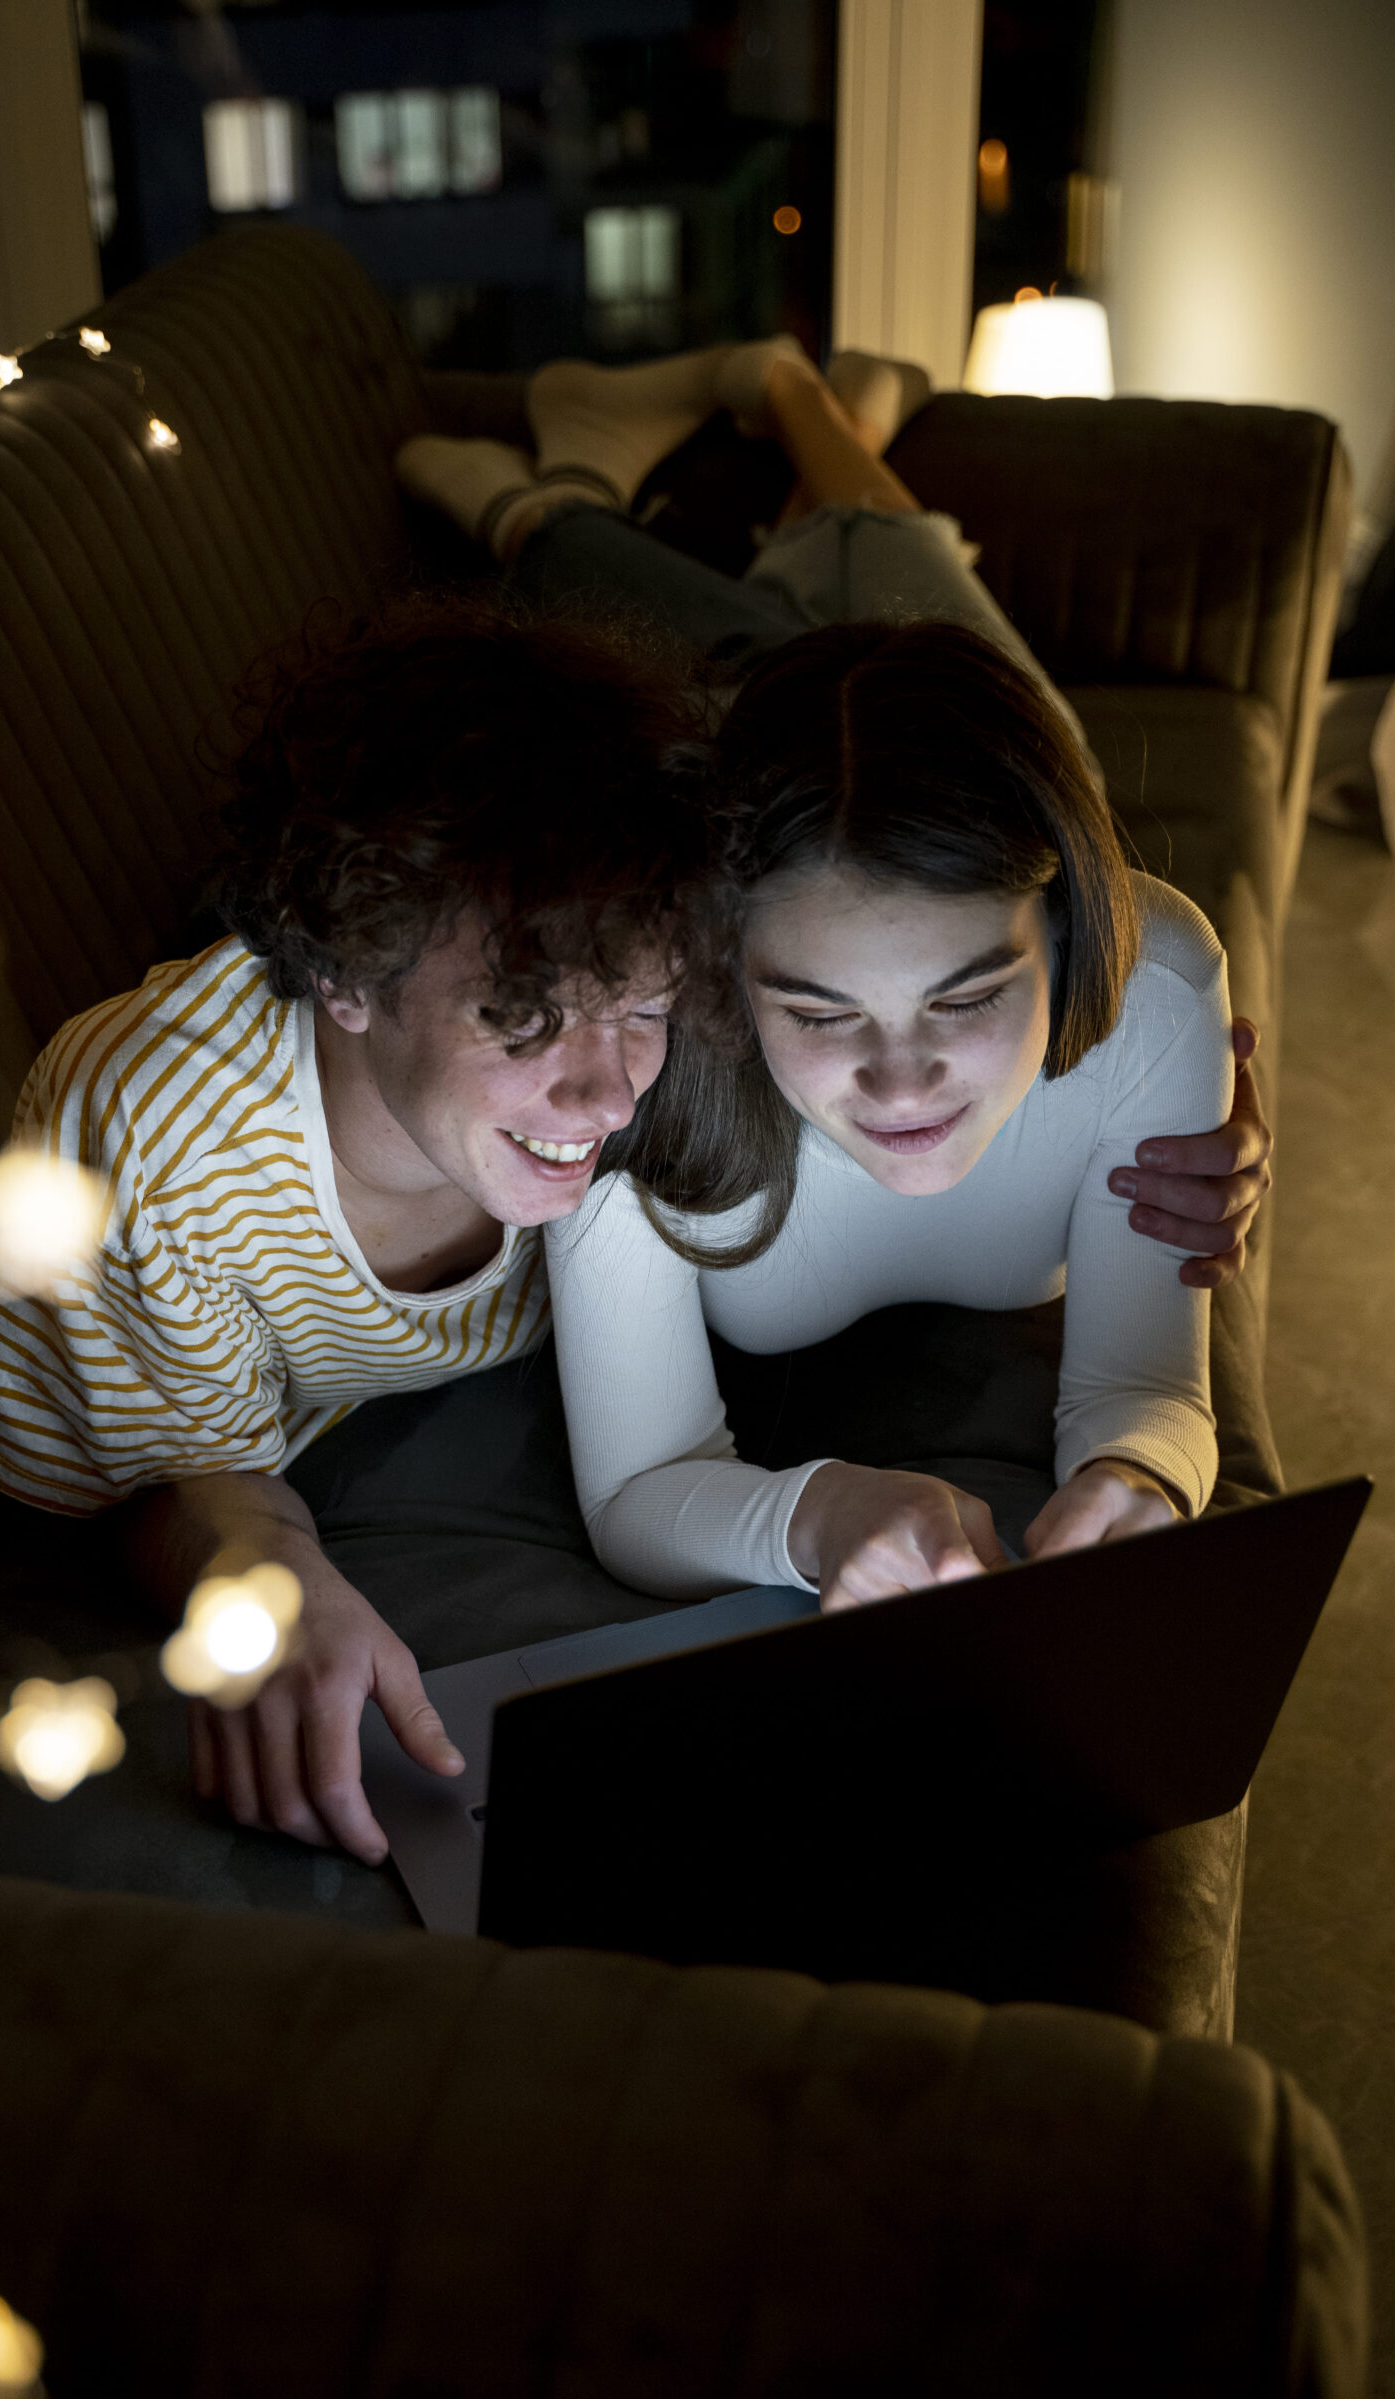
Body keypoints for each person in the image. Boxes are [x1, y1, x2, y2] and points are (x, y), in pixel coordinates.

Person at [399, 344, 1268, 1606]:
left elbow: (1148, 1392)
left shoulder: (1156, 979)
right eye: (818, 1009)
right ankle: (553, 491)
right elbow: (638, 1489)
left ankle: (816, 408)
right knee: (661, 595)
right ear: (722, 974)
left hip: (941, 743)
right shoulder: (645, 1044)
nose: (901, 1076)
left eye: (969, 997)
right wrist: (812, 1517)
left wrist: (1146, 1472)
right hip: (744, 727)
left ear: (1069, 931)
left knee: (899, 575)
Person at [0, 594, 733, 1860]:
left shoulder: (681, 1044)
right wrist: (265, 1570)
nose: (609, 1093)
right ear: (342, 970)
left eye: (643, 1008)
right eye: (527, 1017)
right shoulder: (158, 1138)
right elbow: (158, 1475)